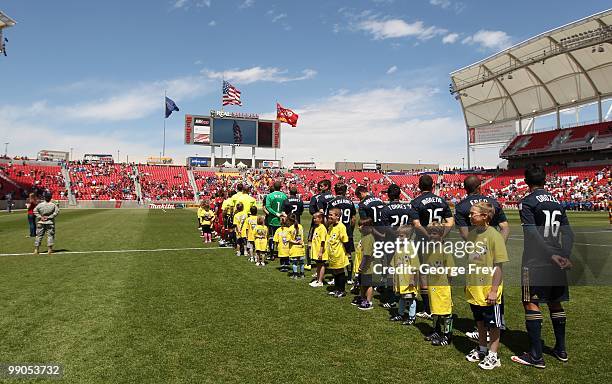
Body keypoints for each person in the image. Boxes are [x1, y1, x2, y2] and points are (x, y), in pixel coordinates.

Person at [511, 165, 574, 369]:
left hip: (536, 261)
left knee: (531, 302)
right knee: (555, 302)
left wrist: (551, 254)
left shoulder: (528, 202)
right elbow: (569, 233)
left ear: (526, 181)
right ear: (545, 180)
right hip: (557, 260)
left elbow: (532, 233)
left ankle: (536, 356)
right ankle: (561, 350)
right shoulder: (557, 202)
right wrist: (563, 255)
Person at [454, 175, 510, 339]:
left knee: (479, 286)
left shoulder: (461, 206)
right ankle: (498, 323)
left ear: (465, 188)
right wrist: (496, 246)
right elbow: (505, 228)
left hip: (477, 254)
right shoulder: (492, 202)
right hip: (491, 251)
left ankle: (485, 328)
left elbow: (465, 234)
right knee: (495, 284)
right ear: (480, 186)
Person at [464, 201, 508, 370]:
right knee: (480, 322)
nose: (470, 216)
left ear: (484, 216)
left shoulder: (494, 236)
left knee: (493, 324)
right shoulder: (472, 234)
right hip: (474, 288)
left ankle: (493, 355)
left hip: (489, 289)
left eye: (473, 213)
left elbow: (498, 266)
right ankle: (482, 349)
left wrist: (494, 290)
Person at [410, 174, 454, 319]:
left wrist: (428, 236)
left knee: (423, 272)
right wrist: (441, 235)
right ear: (433, 185)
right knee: (438, 271)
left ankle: (428, 308)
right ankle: (442, 303)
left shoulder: (416, 201)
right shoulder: (441, 201)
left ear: (419, 186)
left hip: (423, 240)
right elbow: (450, 222)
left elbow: (416, 224)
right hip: (439, 241)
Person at [379, 183, 418, 308]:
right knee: (406, 268)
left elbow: (385, 228)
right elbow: (411, 225)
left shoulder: (385, 209)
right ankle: (406, 293)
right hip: (405, 241)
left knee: (392, 270)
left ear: (389, 195)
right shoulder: (408, 208)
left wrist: (395, 235)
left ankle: (393, 297)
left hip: (391, 242)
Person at [423, 223, 455, 346]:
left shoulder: (445, 250)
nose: (432, 236)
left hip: (443, 285)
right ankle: (436, 330)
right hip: (432, 285)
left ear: (441, 234)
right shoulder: (428, 249)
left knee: (446, 311)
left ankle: (448, 335)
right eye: (430, 233)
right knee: (435, 309)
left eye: (434, 233)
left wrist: (448, 286)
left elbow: (450, 270)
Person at [388, 225, 419, 323]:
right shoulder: (399, 247)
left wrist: (412, 279)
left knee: (410, 298)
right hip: (400, 279)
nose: (399, 238)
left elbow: (415, 265)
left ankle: (411, 317)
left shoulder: (411, 248)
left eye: (401, 236)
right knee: (402, 297)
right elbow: (394, 261)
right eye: (398, 236)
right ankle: (400, 314)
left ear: (408, 237)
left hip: (408, 279)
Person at [328, 183, 357, 281]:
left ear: (335, 190)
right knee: (348, 255)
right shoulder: (350, 202)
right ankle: (349, 278)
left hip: (336, 230)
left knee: (334, 254)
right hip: (347, 230)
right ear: (345, 191)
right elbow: (353, 218)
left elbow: (328, 219)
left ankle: (334, 277)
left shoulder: (332, 202)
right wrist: (351, 230)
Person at [325, 207, 349, 298]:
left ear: (338, 216)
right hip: (332, 254)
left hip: (339, 254)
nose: (329, 216)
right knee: (335, 272)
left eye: (331, 215)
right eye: (329, 214)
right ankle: (337, 288)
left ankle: (342, 290)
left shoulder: (341, 227)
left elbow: (345, 241)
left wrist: (347, 253)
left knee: (340, 271)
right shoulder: (331, 226)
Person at [352, 217, 375, 310]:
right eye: (359, 225)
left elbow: (367, 255)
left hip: (367, 267)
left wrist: (361, 266)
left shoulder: (369, 238)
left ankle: (368, 301)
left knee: (368, 284)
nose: (359, 227)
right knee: (362, 283)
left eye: (361, 226)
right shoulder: (364, 237)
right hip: (362, 265)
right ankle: (362, 298)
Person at [264, 181, 287, 260]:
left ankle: (271, 254)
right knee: (281, 237)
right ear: (280, 187)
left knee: (271, 237)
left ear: (273, 186)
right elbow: (287, 206)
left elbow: (268, 207)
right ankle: (281, 253)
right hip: (281, 220)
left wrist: (276, 213)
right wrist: (282, 213)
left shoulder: (270, 195)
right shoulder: (284, 195)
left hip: (272, 220)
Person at [308, 212, 328, 288]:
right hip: (316, 251)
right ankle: (317, 279)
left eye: (316, 218)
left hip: (320, 251)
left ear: (321, 219)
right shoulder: (317, 227)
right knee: (318, 265)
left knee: (321, 265)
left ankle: (320, 281)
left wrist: (320, 252)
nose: (314, 219)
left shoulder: (322, 228)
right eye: (314, 218)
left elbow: (323, 241)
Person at [287, 214, 306, 279]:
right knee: (301, 262)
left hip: (294, 248)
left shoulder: (290, 229)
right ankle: (302, 274)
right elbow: (302, 236)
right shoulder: (300, 226)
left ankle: (295, 275)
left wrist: (295, 242)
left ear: (289, 221)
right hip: (301, 247)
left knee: (294, 263)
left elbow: (289, 239)